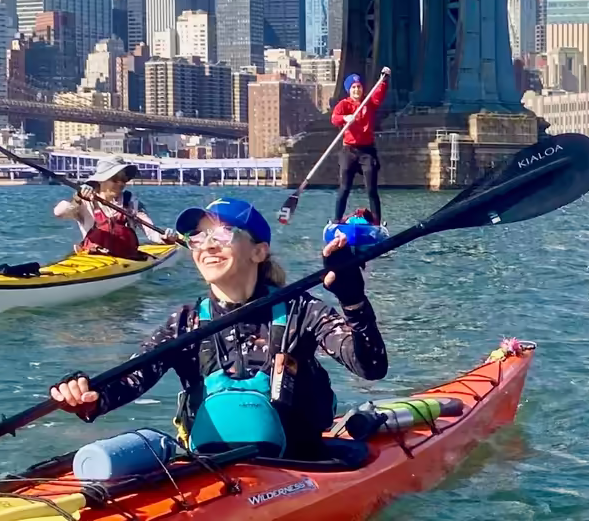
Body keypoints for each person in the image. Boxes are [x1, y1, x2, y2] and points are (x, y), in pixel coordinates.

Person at [50, 197, 387, 459]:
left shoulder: (301, 310)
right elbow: (128, 381)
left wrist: (352, 298)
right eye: (197, 236)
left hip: (301, 468)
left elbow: (370, 366)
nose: (207, 245)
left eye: (223, 233)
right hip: (214, 473)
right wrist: (85, 395)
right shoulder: (185, 323)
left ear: (259, 251)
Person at [53, 157, 175, 259]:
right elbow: (59, 213)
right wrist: (78, 198)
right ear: (101, 181)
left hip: (126, 260)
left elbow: (150, 231)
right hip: (93, 258)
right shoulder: (85, 201)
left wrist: (164, 238)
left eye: (123, 179)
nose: (121, 183)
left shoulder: (131, 202)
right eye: (115, 179)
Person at [330, 68, 390, 225]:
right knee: (344, 188)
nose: (357, 90)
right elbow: (334, 119)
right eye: (353, 87)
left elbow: (379, 94)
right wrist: (345, 117)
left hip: (367, 151)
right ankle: (337, 220)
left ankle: (376, 222)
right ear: (349, 90)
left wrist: (384, 79)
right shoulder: (343, 104)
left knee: (371, 189)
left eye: (359, 87)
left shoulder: (369, 101)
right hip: (348, 151)